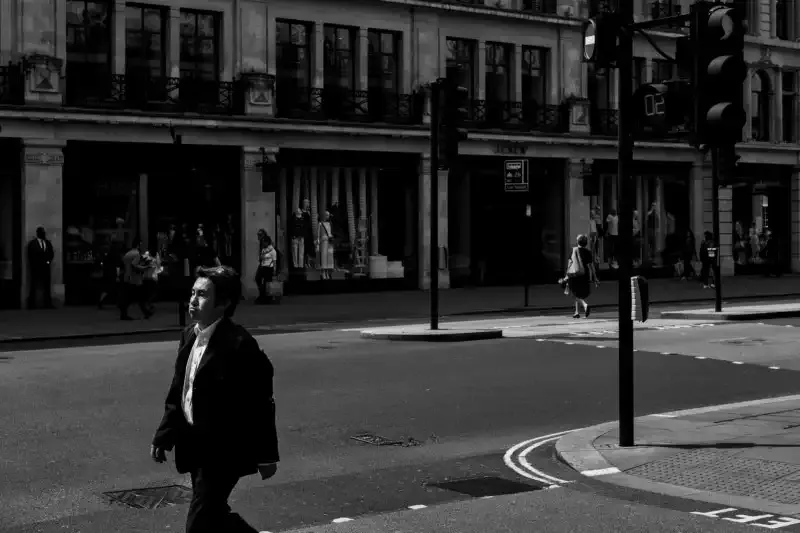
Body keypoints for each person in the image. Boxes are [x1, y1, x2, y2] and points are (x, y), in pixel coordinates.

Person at [151, 265, 279, 533]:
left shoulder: (239, 344)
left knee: (198, 523)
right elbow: (180, 389)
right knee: (214, 514)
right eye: (193, 293)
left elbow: (260, 403)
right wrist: (164, 435)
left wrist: (266, 455)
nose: (193, 300)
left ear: (223, 303)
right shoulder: (189, 334)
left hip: (224, 450)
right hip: (195, 444)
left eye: (202, 295)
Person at [566, 234, 598, 319]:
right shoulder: (588, 252)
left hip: (574, 274)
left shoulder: (573, 250)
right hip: (584, 274)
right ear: (586, 243)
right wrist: (595, 277)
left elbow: (569, 264)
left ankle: (585, 305)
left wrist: (567, 275)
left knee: (574, 291)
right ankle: (576, 312)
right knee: (578, 292)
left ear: (577, 242)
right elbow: (591, 266)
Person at [120, 239, 152, 320]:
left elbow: (124, 265)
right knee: (136, 297)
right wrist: (145, 268)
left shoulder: (128, 253)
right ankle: (145, 312)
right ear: (138, 245)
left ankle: (145, 312)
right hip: (135, 279)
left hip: (127, 277)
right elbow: (135, 265)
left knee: (134, 297)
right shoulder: (136, 254)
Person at [27, 226, 55, 309]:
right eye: (41, 233)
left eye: (43, 233)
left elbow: (51, 254)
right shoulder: (32, 244)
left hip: (46, 267)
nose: (43, 234)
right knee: (33, 286)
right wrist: (35, 264)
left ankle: (47, 304)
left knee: (47, 286)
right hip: (36, 268)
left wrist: (48, 262)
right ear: (38, 234)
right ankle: (32, 304)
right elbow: (30, 256)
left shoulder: (48, 243)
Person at [255, 230, 278, 304]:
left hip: (268, 267)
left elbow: (274, 259)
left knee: (267, 282)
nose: (258, 237)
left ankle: (267, 297)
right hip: (262, 265)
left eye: (259, 235)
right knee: (258, 279)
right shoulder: (262, 245)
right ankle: (263, 295)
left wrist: (274, 269)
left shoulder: (270, 248)